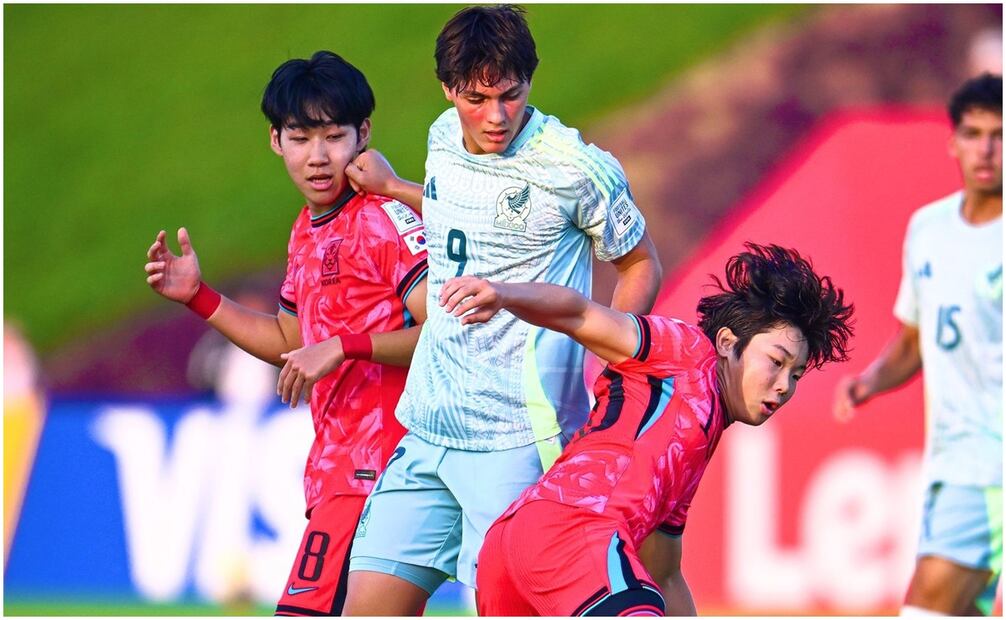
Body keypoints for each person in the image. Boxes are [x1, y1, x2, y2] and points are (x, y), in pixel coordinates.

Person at [342, 5, 662, 615]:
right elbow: (460, 217)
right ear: (447, 89)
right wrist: (396, 189)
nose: (495, 116)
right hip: (429, 426)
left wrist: (611, 369)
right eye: (477, 99)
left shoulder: (575, 168)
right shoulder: (442, 137)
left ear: (530, 81)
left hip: (518, 442)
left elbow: (641, 263)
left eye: (510, 95)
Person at [143, 51, 429, 616]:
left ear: (364, 133)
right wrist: (200, 296)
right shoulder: (306, 231)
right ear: (276, 141)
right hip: (339, 472)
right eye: (300, 138)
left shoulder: (381, 219)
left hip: (381, 471)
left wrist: (345, 346)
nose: (318, 157)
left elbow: (443, 333)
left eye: (333, 136)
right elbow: (291, 341)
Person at [434, 243, 853, 616]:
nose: (784, 385)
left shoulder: (697, 438)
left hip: (511, 549)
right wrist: (503, 294)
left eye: (796, 374)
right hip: (574, 535)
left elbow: (664, 573)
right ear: (727, 342)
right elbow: (580, 313)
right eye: (776, 362)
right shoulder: (685, 351)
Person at [833, 73, 1002, 616]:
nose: (986, 149)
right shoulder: (928, 229)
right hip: (957, 464)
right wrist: (870, 381)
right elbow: (914, 339)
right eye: (974, 134)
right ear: (953, 142)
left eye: (999, 135)